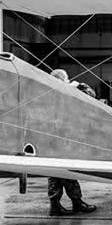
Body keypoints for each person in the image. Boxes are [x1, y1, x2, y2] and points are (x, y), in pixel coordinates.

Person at [46, 68, 98, 216]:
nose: (69, 81)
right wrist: (78, 86)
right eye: (67, 79)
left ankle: (55, 206)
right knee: (65, 171)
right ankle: (77, 203)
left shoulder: (49, 92)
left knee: (54, 172)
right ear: (62, 80)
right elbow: (92, 95)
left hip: (51, 139)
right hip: (62, 138)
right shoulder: (62, 92)